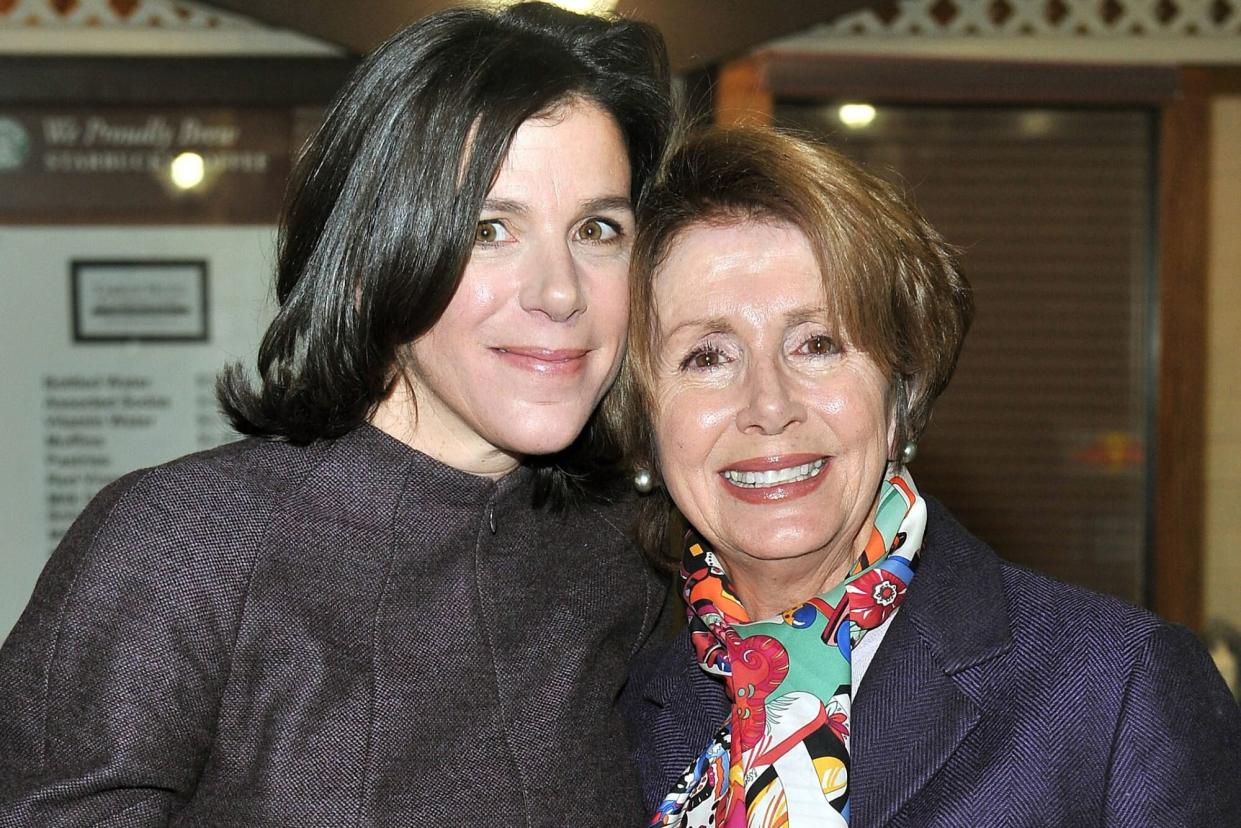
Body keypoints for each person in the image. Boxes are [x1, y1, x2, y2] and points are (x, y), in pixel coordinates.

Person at [0, 4, 673, 824]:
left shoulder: (634, 552)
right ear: (371, 256)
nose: (561, 292)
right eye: (489, 229)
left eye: (598, 229)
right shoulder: (181, 546)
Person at [614, 126, 1241, 827]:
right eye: (706, 357)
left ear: (900, 393)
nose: (769, 407)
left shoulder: (1115, 691)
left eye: (817, 344)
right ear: (641, 423)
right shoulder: (617, 715)